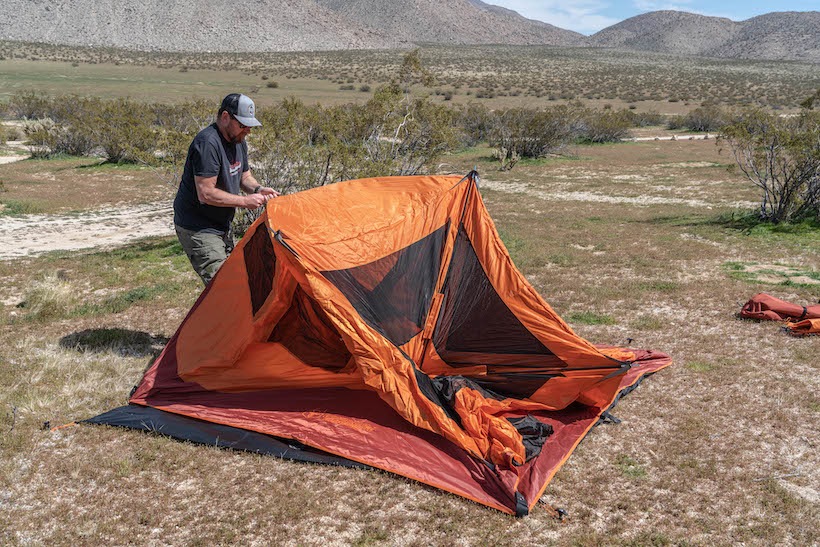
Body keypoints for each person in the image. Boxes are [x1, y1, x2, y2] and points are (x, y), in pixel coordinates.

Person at [173, 93, 279, 286]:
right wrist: (245, 202)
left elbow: (244, 176)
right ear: (225, 117)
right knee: (223, 287)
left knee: (237, 280)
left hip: (222, 225)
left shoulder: (238, 141)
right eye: (242, 125)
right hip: (199, 227)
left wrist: (258, 189)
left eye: (250, 126)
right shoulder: (207, 143)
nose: (247, 131)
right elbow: (206, 193)